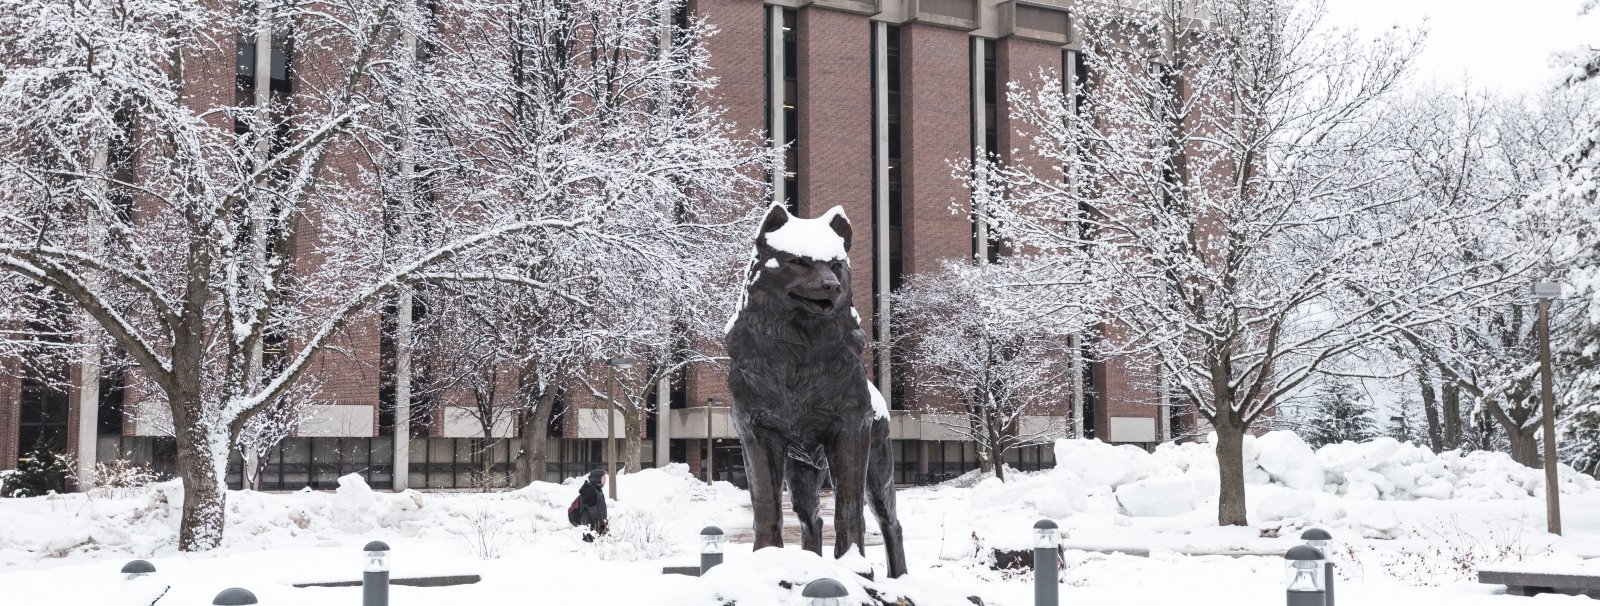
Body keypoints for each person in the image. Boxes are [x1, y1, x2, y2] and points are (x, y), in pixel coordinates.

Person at [575, 469, 608, 542]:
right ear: (597, 479)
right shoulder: (590, 491)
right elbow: (593, 511)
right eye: (603, 478)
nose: (605, 479)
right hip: (590, 525)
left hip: (595, 525)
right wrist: (601, 527)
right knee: (590, 546)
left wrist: (604, 525)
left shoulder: (596, 490)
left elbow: (600, 509)